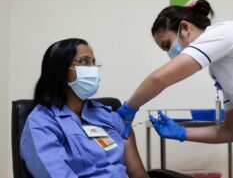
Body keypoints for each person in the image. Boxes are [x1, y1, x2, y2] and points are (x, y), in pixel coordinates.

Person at [116, 0, 233, 178]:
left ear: (185, 28)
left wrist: (128, 108)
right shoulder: (219, 68)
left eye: (167, 45)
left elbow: (160, 78)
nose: (169, 54)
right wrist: (181, 132)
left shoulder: (224, 33)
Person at [20, 38, 149, 178]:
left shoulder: (109, 116)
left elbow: (139, 175)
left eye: (93, 62)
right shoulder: (41, 123)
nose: (93, 69)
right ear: (60, 69)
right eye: (84, 61)